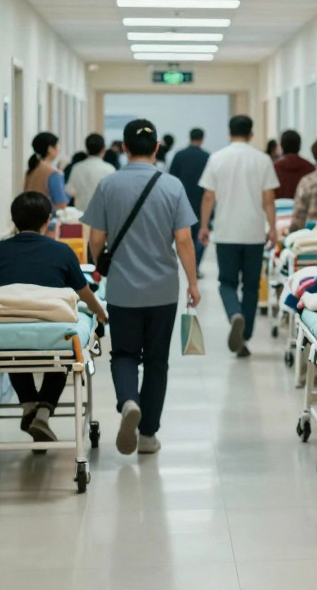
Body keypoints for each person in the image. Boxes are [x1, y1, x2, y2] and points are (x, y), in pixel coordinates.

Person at [83, 119, 200, 456]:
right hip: (163, 290)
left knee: (123, 354)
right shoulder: (172, 186)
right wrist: (192, 282)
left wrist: (101, 265)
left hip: (122, 289)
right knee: (157, 362)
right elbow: (184, 241)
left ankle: (128, 402)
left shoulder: (109, 185)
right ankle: (148, 436)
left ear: (124, 146)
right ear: (157, 148)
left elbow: (95, 238)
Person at [0, 192, 108, 444]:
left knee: (13, 342)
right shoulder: (61, 251)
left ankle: (28, 406)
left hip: (6, 326)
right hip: (52, 326)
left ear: (14, 220)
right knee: (62, 349)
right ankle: (43, 413)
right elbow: (84, 293)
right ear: (48, 219)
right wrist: (100, 313)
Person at [199, 115, 280, 358]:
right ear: (252, 134)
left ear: (228, 132)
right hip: (254, 232)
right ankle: (245, 336)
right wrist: (273, 228)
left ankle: (235, 314)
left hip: (225, 232)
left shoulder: (217, 158)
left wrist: (204, 225)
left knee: (227, 282)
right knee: (252, 286)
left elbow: (208, 197)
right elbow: (269, 199)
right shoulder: (263, 159)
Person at [168, 128, 211, 276]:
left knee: (183, 236)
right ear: (202, 138)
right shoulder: (207, 157)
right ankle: (195, 266)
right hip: (201, 204)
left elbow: (171, 179)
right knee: (200, 236)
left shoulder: (179, 155)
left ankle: (185, 266)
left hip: (182, 202)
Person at [65, 133, 115, 216]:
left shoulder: (77, 167)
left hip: (81, 213)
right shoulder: (109, 169)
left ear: (86, 148)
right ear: (103, 149)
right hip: (102, 215)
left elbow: (70, 191)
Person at [24, 132, 69, 213]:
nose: (59, 150)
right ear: (50, 149)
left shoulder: (32, 169)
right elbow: (61, 204)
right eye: (57, 146)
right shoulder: (53, 174)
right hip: (48, 220)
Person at [273, 129, 316, 200]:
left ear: (282, 145)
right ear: (299, 145)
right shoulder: (310, 167)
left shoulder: (274, 168)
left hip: (279, 209)